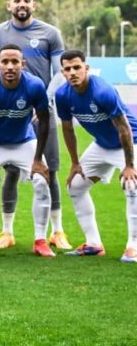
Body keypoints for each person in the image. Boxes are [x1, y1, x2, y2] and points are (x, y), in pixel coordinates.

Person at [0, 0, 69, 250]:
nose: (22, 4)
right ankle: (7, 232)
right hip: (8, 111)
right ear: (9, 5)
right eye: (17, 0)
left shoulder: (49, 33)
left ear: (34, 5)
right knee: (10, 171)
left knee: (48, 169)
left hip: (42, 110)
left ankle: (57, 230)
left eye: (27, 0)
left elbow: (59, 72)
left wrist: (42, 99)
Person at [55, 50, 137, 262]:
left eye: (77, 67)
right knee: (75, 185)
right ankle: (93, 244)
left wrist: (129, 165)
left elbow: (124, 129)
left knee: (132, 185)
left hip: (130, 142)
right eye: (67, 69)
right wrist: (74, 163)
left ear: (86, 68)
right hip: (102, 145)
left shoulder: (103, 91)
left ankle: (133, 247)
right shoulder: (63, 95)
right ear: (62, 72)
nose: (72, 72)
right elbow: (67, 130)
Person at [0, 45, 53, 257]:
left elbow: (44, 121)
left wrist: (37, 159)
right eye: (5, 62)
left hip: (23, 141)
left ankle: (40, 241)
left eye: (15, 62)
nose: (9, 66)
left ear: (22, 65)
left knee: (42, 182)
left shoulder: (34, 85)